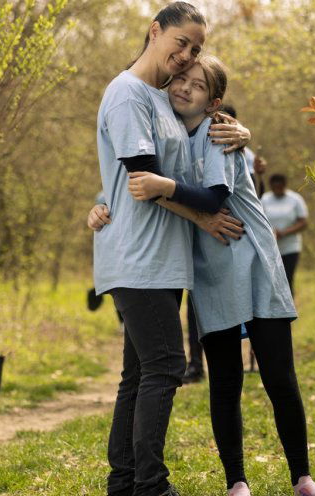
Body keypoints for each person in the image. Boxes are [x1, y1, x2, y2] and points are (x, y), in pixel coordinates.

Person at [90, 55, 315, 496]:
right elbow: (131, 175)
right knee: (224, 381)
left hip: (252, 261)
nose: (184, 86)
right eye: (180, 78)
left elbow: (215, 194)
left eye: (197, 85)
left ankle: (303, 478)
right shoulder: (163, 128)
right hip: (210, 273)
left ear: (213, 100)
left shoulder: (219, 131)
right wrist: (99, 204)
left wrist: (169, 185)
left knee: (279, 376)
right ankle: (236, 483)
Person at [92, 4, 248, 495]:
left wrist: (241, 132)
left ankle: (124, 483)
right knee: (165, 369)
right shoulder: (127, 94)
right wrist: (204, 217)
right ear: (154, 31)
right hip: (139, 258)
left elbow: (187, 156)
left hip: (161, 259)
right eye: (180, 42)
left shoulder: (161, 100)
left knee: (138, 374)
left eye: (196, 50)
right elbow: (143, 182)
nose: (186, 56)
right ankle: (152, 487)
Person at [261, 174, 308, 296]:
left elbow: (303, 223)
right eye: (274, 186)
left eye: (279, 186)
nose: (277, 189)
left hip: (290, 248)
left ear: (284, 185)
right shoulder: (265, 199)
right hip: (270, 247)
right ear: (270, 186)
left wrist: (284, 233)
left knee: (287, 279)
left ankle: (290, 311)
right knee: (271, 280)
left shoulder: (295, 199)